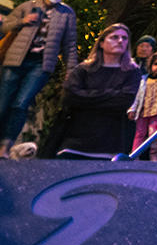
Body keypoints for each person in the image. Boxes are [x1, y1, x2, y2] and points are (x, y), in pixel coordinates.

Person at [0, 0, 81, 157]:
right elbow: (4, 27)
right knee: (1, 108)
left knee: (20, 104)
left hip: (40, 65)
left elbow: (70, 45)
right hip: (15, 61)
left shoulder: (67, 14)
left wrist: (70, 71)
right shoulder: (28, 6)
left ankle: (5, 147)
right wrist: (22, 21)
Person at [56, 22, 140, 158]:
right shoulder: (83, 69)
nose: (120, 41)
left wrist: (86, 97)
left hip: (110, 143)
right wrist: (111, 94)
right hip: (75, 140)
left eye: (124, 38)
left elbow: (123, 101)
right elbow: (69, 97)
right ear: (101, 43)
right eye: (114, 37)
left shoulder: (132, 71)